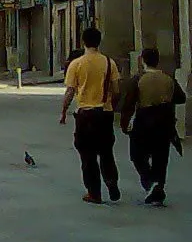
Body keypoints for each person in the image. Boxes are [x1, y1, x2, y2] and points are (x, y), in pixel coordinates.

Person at [60, 26, 122, 204]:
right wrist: (110, 105)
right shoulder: (110, 63)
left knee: (87, 155)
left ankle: (94, 193)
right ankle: (111, 181)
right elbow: (117, 90)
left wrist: (64, 112)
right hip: (105, 113)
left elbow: (70, 92)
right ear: (99, 42)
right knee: (106, 151)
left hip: (85, 115)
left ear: (83, 42)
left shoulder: (77, 64)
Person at [120, 47, 187, 206]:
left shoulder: (138, 79)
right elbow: (181, 98)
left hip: (144, 120)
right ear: (158, 61)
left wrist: (124, 123)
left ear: (142, 60)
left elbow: (128, 103)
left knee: (137, 155)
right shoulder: (168, 78)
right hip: (165, 121)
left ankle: (150, 181)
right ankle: (159, 186)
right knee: (161, 156)